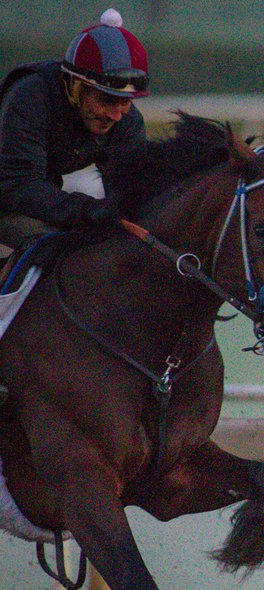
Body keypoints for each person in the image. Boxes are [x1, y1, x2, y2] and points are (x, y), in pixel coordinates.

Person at [0, 8, 149, 404]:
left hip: (26, 190)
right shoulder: (29, 95)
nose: (117, 114)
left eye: (126, 103)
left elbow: (133, 193)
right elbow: (17, 187)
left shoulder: (123, 120)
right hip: (8, 191)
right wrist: (87, 211)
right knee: (47, 241)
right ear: (75, 84)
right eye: (107, 100)